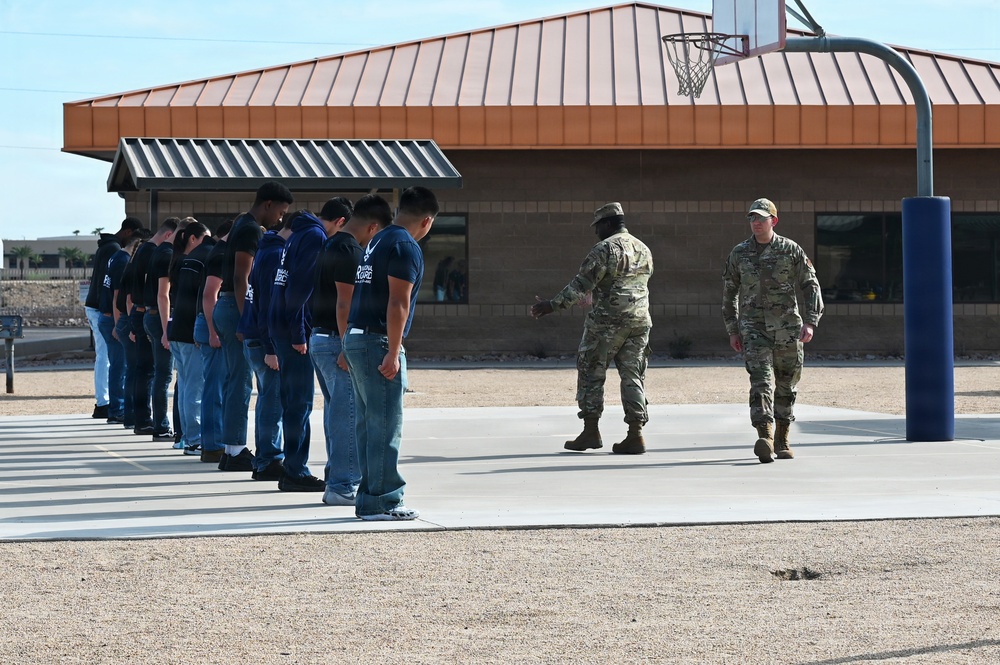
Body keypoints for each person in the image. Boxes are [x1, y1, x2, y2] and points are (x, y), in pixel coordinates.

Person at [343, 186, 439, 521]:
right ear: (426, 221)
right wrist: (394, 351)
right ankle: (382, 500)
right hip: (378, 340)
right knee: (385, 423)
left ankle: (369, 495)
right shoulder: (405, 245)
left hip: (357, 335)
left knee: (369, 424)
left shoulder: (377, 240)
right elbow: (398, 301)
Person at [530, 202, 654, 455]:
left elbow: (580, 284)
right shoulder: (643, 248)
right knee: (633, 375)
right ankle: (635, 434)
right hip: (639, 321)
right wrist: (596, 293)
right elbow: (627, 284)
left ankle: (590, 431)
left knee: (590, 372)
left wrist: (551, 305)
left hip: (607, 323)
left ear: (607, 224)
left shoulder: (604, 248)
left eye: (597, 226)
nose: (596, 232)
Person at [722, 197, 824, 463]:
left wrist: (811, 321)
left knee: (786, 385)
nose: (755, 222)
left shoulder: (790, 250)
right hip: (753, 329)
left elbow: (810, 285)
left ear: (773, 221)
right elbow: (729, 292)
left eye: (761, 218)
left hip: (788, 329)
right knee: (761, 383)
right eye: (752, 218)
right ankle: (765, 436)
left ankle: (782, 438)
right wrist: (733, 329)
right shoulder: (739, 253)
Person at [309, 194, 392, 507]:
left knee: (336, 412)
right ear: (372, 227)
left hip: (322, 337)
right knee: (348, 413)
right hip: (335, 340)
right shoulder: (349, 250)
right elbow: (345, 302)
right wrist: (347, 346)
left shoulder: (330, 244)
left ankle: (336, 478)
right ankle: (343, 485)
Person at [268, 201, 348, 492]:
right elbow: (300, 289)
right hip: (293, 333)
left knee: (293, 403)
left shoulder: (297, 234)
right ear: (340, 221)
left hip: (282, 327)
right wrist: (299, 333)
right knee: (299, 404)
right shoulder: (315, 236)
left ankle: (293, 468)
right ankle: (295, 471)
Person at [213, 182, 293, 465]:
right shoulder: (249, 229)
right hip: (235, 306)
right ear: (268, 204)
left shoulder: (241, 224)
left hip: (227, 305)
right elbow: (241, 277)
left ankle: (231, 448)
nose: (280, 219)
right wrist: (247, 318)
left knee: (235, 378)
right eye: (280, 212)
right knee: (240, 381)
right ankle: (235, 451)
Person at [235, 213, 295, 478]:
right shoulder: (276, 255)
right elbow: (270, 305)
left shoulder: (265, 250)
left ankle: (265, 458)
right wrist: (271, 348)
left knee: (267, 399)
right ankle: (268, 459)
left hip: (255, 336)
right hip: (264, 341)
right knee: (272, 401)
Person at [84, 217, 143, 419]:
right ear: (129, 232)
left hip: (99, 307)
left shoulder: (108, 248)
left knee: (108, 358)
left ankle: (107, 403)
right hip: (103, 309)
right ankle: (105, 403)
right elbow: (114, 290)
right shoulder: (116, 251)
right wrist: (113, 317)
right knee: (107, 358)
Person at [166, 222, 212, 453]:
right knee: (194, 388)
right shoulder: (200, 261)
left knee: (185, 387)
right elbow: (200, 298)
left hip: (177, 330)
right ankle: (194, 439)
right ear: (194, 238)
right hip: (189, 333)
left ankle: (186, 435)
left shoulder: (181, 261)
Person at [192, 220, 234, 461]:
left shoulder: (217, 251)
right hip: (212, 326)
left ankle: (215, 443)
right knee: (215, 389)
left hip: (207, 323)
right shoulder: (221, 254)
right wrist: (212, 331)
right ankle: (213, 445)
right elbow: (210, 295)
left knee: (215, 387)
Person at [99, 229, 147, 425]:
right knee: (121, 367)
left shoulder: (116, 257)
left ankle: (119, 409)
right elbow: (118, 296)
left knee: (120, 367)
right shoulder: (123, 261)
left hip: (110, 317)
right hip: (114, 318)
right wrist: (118, 324)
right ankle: (117, 409)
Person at [141, 218, 179, 441]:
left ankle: (159, 424)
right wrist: (167, 330)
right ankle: (161, 426)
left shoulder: (157, 251)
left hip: (151, 315)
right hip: (159, 317)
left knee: (159, 374)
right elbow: (163, 295)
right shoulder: (166, 255)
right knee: (163, 376)